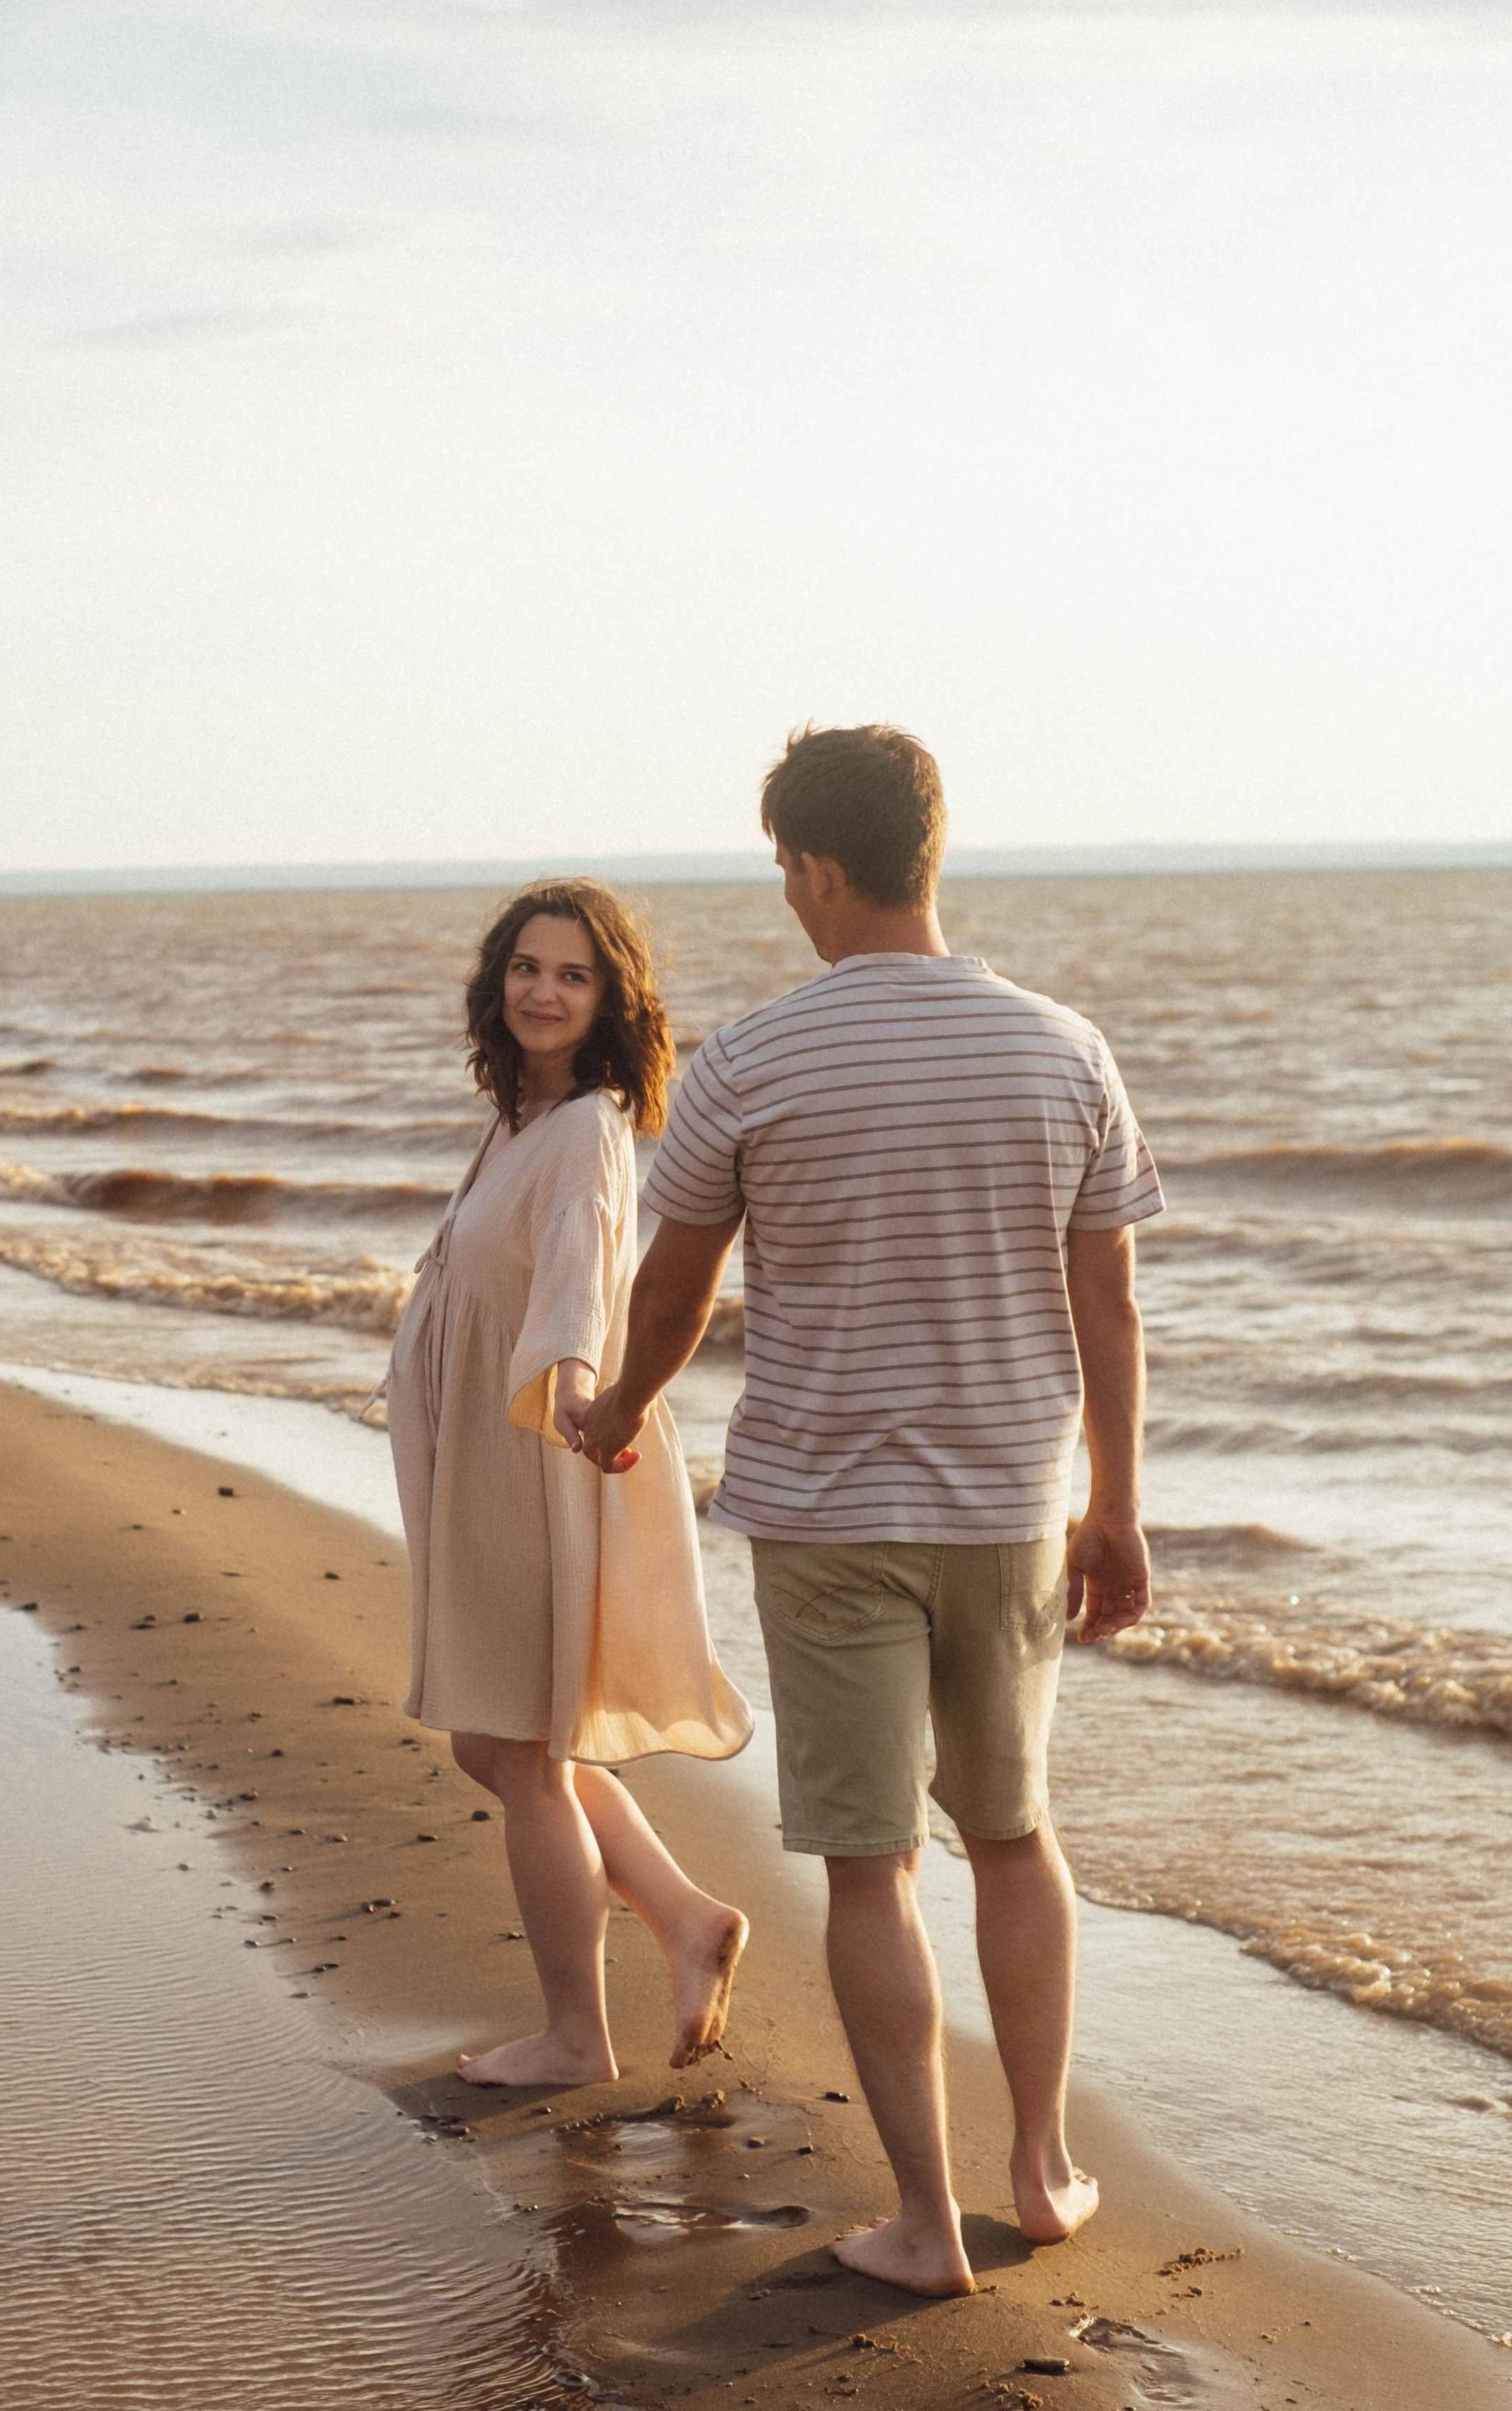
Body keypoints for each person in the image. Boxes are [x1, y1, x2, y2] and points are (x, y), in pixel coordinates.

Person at [575, 726, 1163, 2292]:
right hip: (1014, 1509)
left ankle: (923, 2221)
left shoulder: (756, 1060)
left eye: (784, 868)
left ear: (816, 867)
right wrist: (1117, 1505)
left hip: (830, 1510)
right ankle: (1038, 2174)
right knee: (1012, 1834)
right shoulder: (1061, 1046)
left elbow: (675, 1284)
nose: (786, 894)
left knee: (866, 1864)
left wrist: (615, 1412)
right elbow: (1105, 1306)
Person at [387, 879, 754, 2090]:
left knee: (522, 1752)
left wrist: (581, 1394)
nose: (544, 991)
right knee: (493, 1745)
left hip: (537, 1452)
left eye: (574, 975)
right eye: (528, 968)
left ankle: (577, 2040)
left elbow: (580, 1284)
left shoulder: (589, 1128)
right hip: (487, 1460)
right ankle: (685, 1916)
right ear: (500, 983)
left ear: (611, 1003)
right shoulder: (522, 1119)